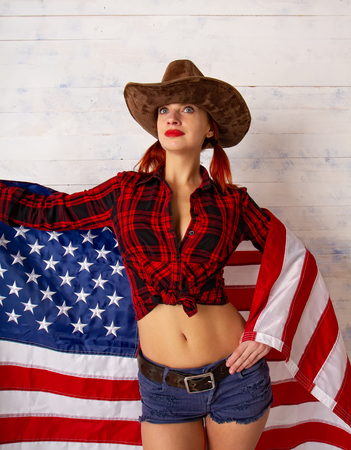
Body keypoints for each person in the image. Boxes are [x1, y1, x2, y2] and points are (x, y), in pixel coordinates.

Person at [0, 60, 273, 450]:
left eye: (188, 109)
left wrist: (269, 331)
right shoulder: (126, 191)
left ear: (210, 127)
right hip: (163, 388)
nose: (172, 117)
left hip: (236, 377)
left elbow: (291, 262)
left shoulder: (234, 202)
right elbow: (50, 213)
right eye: (164, 110)